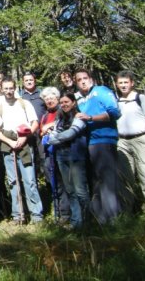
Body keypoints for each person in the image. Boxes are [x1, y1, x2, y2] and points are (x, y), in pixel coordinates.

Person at [74, 68, 121, 224]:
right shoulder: (79, 99)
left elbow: (114, 112)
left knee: (107, 179)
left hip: (104, 140)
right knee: (95, 180)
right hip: (87, 143)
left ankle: (113, 218)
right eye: (79, 79)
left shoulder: (101, 91)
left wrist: (91, 117)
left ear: (91, 79)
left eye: (85, 78)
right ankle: (100, 219)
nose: (82, 81)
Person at [0, 78, 43, 224]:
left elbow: (34, 122)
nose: (8, 91)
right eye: (6, 88)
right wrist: (10, 142)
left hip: (25, 144)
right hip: (8, 145)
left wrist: (24, 138)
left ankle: (36, 215)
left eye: (11, 88)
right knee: (13, 181)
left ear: (15, 89)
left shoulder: (24, 103)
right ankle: (18, 214)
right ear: (2, 90)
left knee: (30, 180)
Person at [115, 70, 145, 221]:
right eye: (120, 83)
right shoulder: (116, 101)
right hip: (122, 141)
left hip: (142, 140)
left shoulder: (140, 98)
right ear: (116, 84)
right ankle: (128, 214)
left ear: (132, 83)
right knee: (125, 179)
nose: (123, 85)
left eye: (126, 82)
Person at [47, 92, 90, 228]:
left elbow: (71, 134)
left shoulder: (79, 117)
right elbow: (54, 131)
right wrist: (55, 135)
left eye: (67, 102)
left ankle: (87, 220)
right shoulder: (60, 118)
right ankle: (76, 221)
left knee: (80, 190)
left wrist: (53, 139)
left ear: (73, 102)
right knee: (70, 190)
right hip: (61, 156)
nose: (64, 105)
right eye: (62, 102)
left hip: (76, 156)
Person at [38, 87, 70, 222]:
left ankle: (66, 214)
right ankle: (58, 212)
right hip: (48, 152)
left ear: (57, 99)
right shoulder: (45, 115)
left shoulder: (62, 112)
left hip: (61, 152)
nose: (49, 100)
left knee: (64, 183)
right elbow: (41, 132)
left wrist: (51, 126)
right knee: (54, 183)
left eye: (52, 98)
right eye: (46, 99)